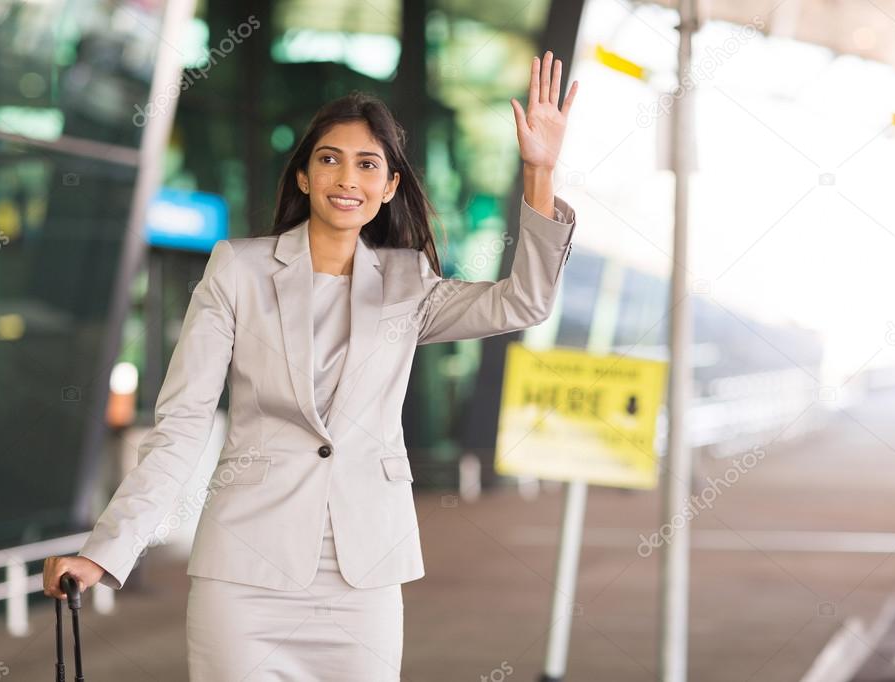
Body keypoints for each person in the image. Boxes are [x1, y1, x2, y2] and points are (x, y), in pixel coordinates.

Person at [44, 49, 580, 681]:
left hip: (364, 575)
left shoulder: (410, 284)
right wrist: (109, 548)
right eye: (329, 159)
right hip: (245, 570)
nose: (346, 177)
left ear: (388, 188)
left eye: (366, 164)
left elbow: (524, 301)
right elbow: (182, 425)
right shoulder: (237, 270)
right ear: (303, 176)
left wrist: (539, 174)